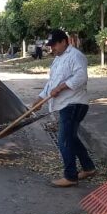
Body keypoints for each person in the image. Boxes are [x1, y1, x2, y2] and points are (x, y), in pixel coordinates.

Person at [38, 29, 95, 187]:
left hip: (74, 103)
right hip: (66, 104)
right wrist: (39, 100)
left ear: (64, 41)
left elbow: (81, 77)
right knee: (71, 138)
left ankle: (70, 176)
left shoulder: (75, 56)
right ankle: (89, 168)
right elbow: (51, 84)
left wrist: (62, 87)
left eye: (54, 44)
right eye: (50, 46)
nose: (52, 48)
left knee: (64, 141)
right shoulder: (57, 60)